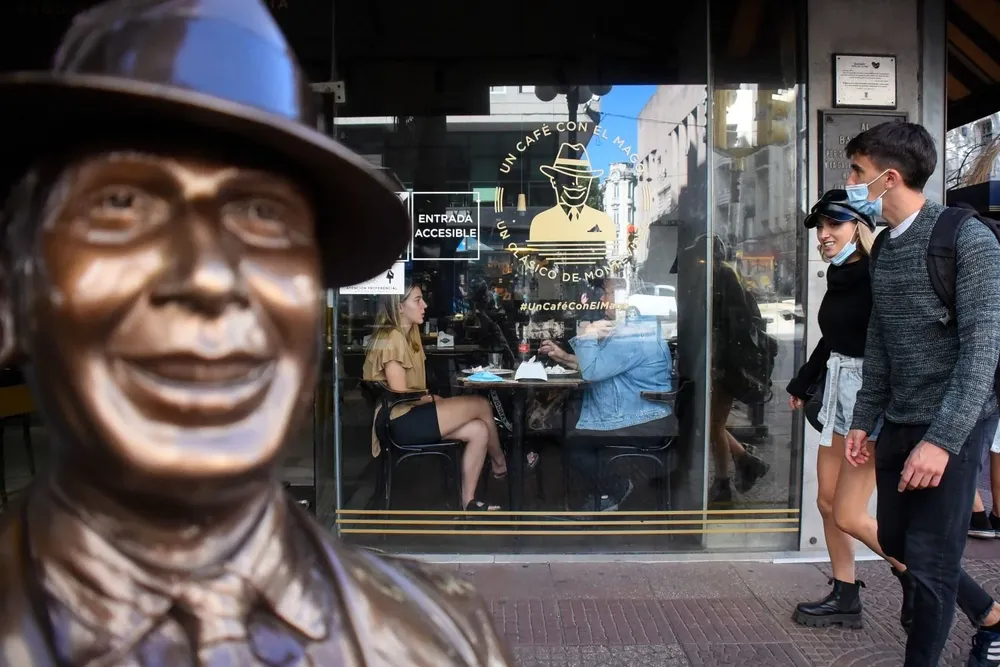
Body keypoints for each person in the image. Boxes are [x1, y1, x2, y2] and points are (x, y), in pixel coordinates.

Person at [0, 1, 513, 665]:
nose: (210, 275)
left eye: (264, 216)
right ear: (12, 294)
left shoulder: (440, 639)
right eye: (121, 204)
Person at [844, 121, 1000, 666]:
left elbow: (983, 349)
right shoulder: (884, 247)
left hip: (952, 426)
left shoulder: (968, 239)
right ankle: (991, 615)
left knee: (931, 566)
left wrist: (943, 441)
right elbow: (880, 340)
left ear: (889, 178)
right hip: (899, 420)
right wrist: (863, 419)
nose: (851, 182)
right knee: (895, 539)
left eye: (857, 172)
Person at [786, 190, 912, 630]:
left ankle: (923, 578)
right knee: (825, 501)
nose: (823, 236)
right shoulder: (843, 273)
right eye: (819, 228)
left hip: (869, 395)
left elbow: (894, 341)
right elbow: (833, 336)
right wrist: (804, 380)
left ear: (858, 227)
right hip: (839, 390)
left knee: (851, 513)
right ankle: (845, 594)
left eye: (832, 226)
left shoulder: (877, 272)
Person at [363, 284, 507, 511]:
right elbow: (401, 394)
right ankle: (500, 463)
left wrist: (431, 399)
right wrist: (430, 399)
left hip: (407, 415)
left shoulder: (408, 334)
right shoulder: (393, 338)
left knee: (479, 429)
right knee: (481, 404)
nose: (425, 305)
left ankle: (467, 502)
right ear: (400, 307)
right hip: (400, 421)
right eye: (418, 300)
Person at [539, 314, 673, 511]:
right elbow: (602, 364)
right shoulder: (639, 331)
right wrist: (564, 357)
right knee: (566, 432)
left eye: (607, 289)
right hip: (646, 415)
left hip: (639, 420)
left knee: (570, 443)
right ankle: (601, 490)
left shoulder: (632, 336)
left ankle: (614, 488)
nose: (602, 297)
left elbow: (594, 370)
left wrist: (588, 333)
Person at [706, 235, 772, 505]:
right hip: (720, 362)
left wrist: (718, 364)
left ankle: (725, 480)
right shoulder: (720, 275)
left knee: (713, 424)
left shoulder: (724, 276)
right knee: (713, 424)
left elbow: (735, 327)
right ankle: (744, 461)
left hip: (726, 364)